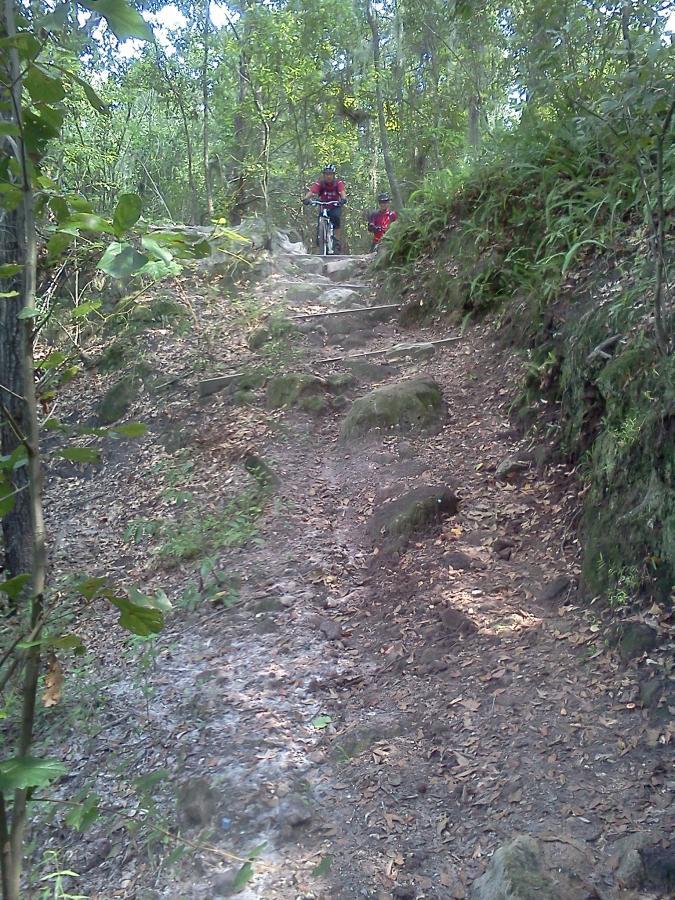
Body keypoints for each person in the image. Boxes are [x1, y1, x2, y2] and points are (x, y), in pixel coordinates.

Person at [303, 164, 347, 252]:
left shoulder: (338, 183)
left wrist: (343, 199)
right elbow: (312, 191)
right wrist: (306, 198)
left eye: (330, 174)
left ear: (334, 175)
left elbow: (342, 192)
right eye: (327, 174)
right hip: (323, 205)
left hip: (335, 205)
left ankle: (336, 241)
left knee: (336, 219)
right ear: (324, 175)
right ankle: (320, 245)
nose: (328, 176)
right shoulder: (320, 183)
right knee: (320, 224)